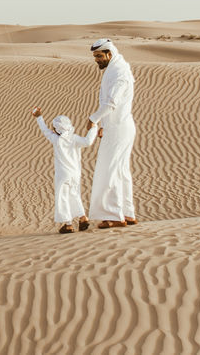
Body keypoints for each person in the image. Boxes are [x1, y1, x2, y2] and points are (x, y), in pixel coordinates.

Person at [87, 37, 138, 229]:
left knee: (110, 171)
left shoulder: (119, 72)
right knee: (121, 170)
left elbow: (111, 103)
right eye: (95, 56)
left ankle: (115, 215)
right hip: (116, 126)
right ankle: (127, 213)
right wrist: (105, 125)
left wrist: (93, 119)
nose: (97, 60)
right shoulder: (116, 69)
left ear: (110, 53)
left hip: (119, 128)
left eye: (99, 56)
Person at [30, 106, 98, 233]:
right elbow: (88, 141)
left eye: (54, 128)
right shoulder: (75, 138)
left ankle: (68, 224)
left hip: (63, 174)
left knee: (63, 197)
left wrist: (39, 117)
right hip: (75, 173)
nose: (52, 130)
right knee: (74, 194)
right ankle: (83, 217)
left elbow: (45, 131)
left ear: (57, 129)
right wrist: (94, 128)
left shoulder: (56, 140)